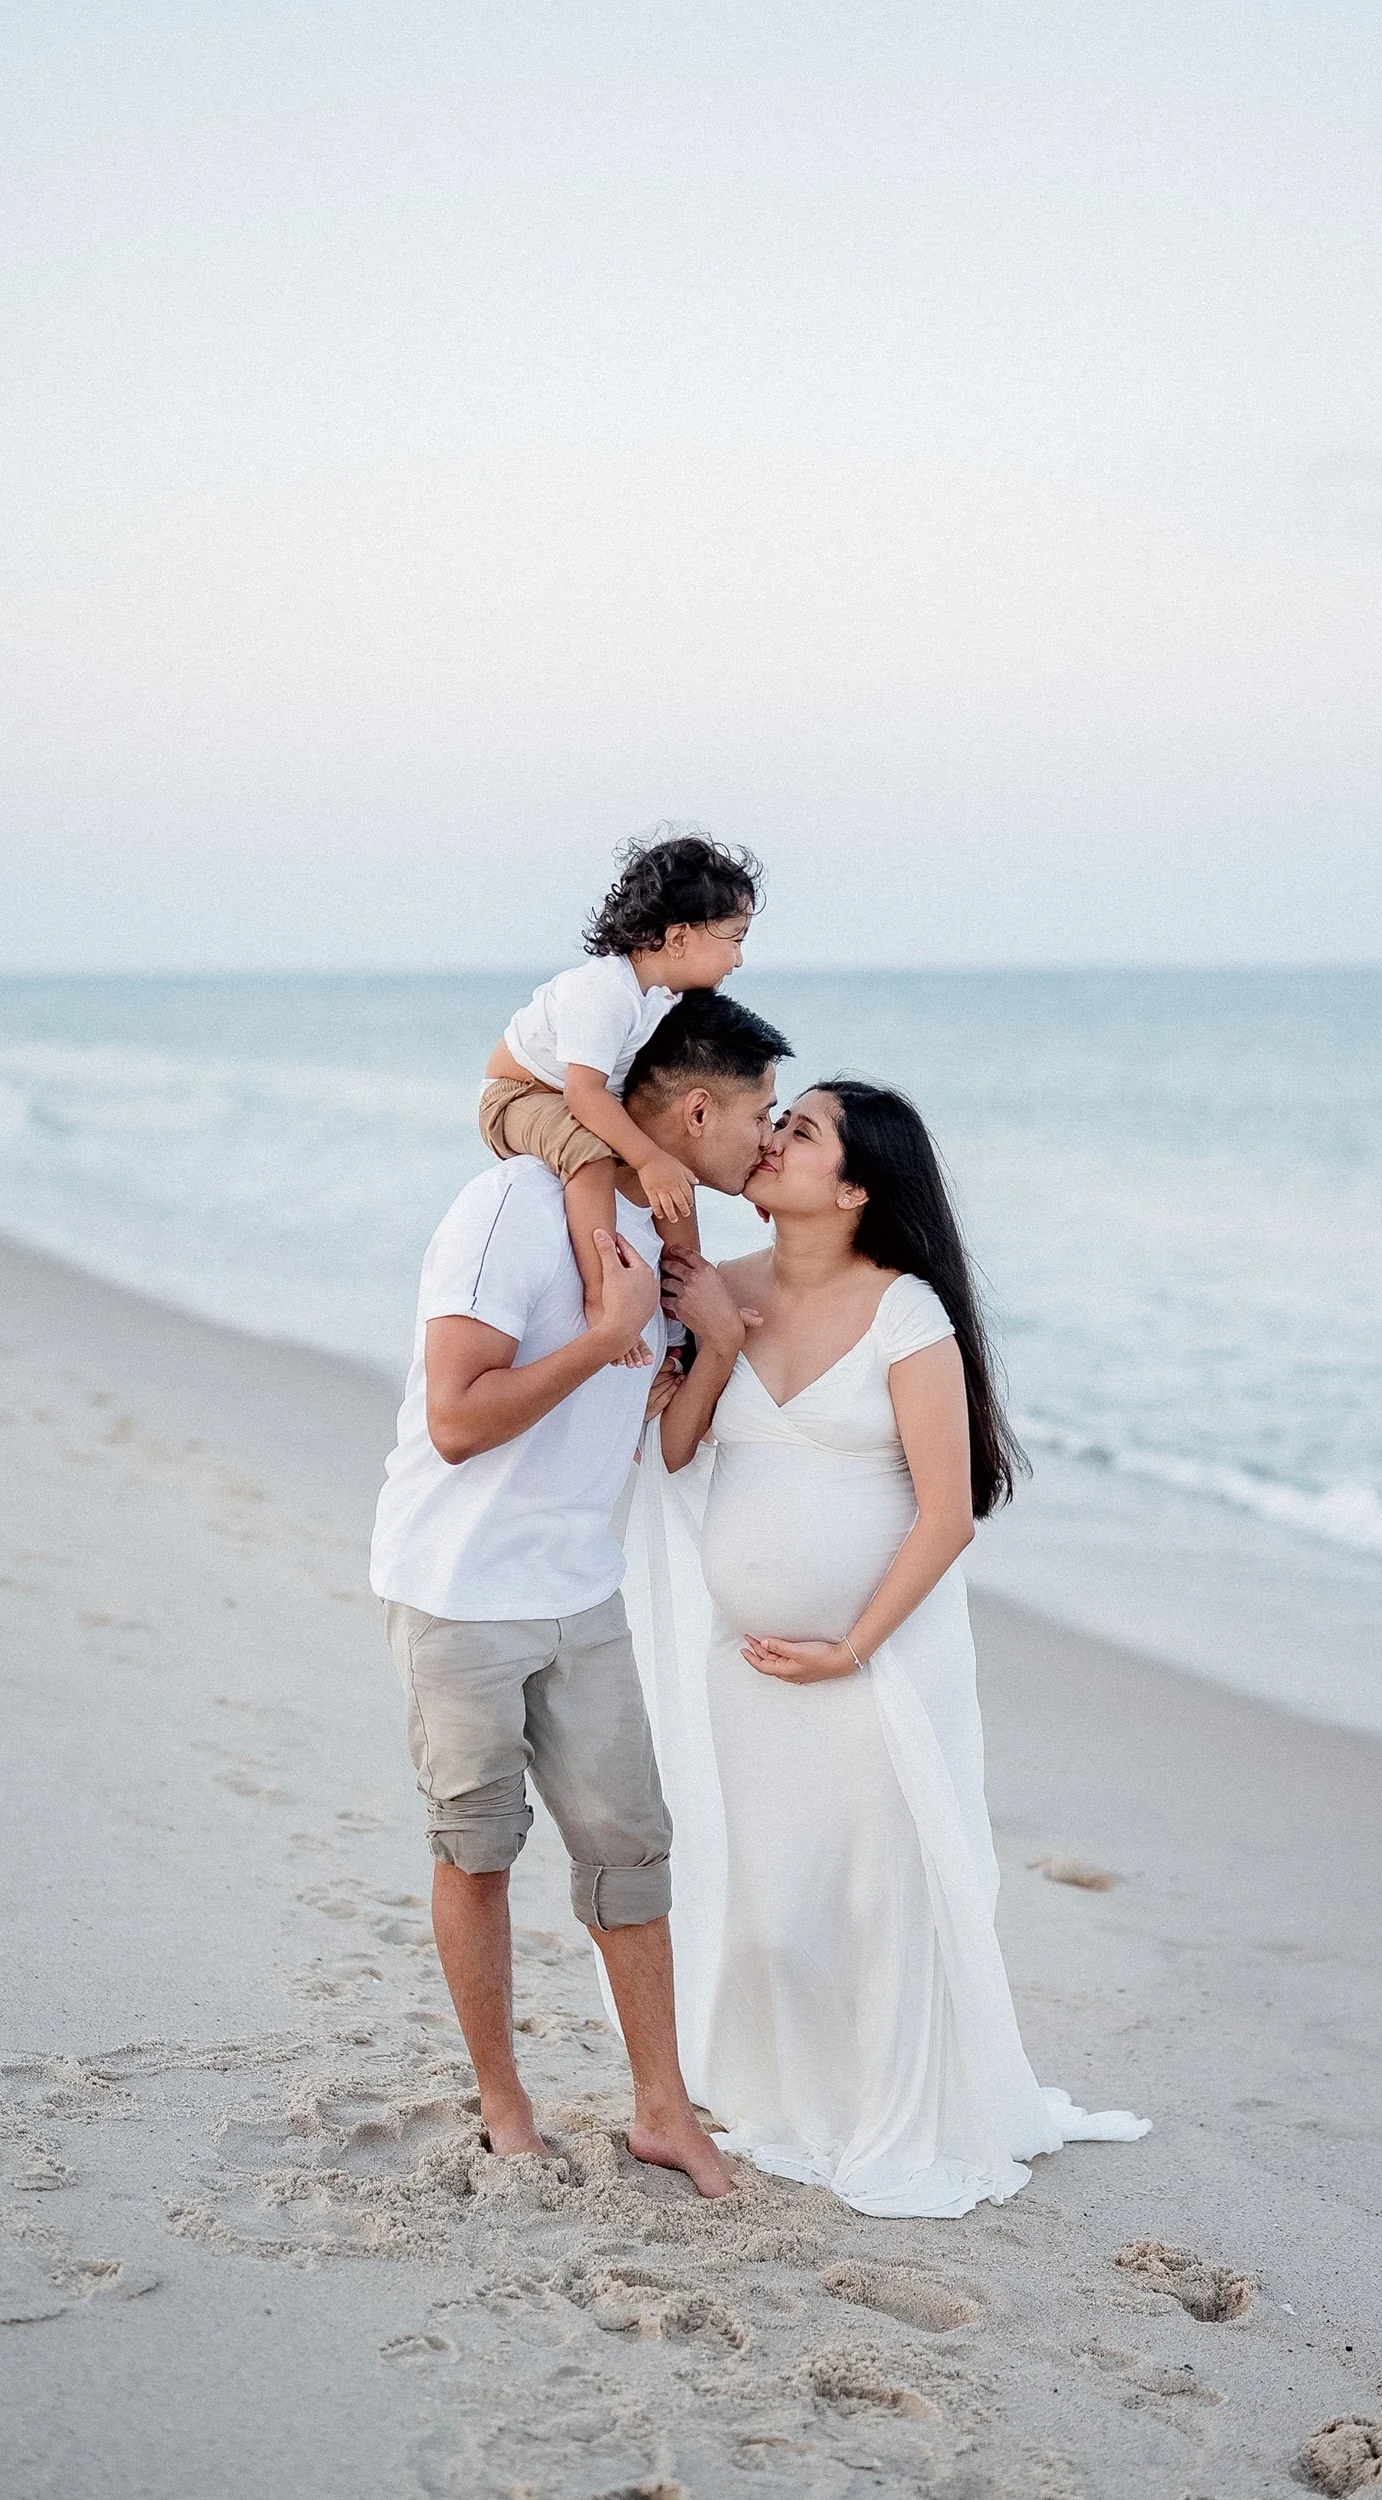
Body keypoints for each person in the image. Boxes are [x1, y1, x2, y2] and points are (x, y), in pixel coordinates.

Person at [624, 1078, 1151, 2217]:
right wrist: (709, 1347)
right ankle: (792, 2098)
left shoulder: (906, 1313)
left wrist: (852, 1647)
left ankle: (884, 2112)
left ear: (855, 1187)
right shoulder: (726, 1288)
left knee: (874, 1900)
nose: (769, 1140)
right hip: (749, 1665)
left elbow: (946, 1515)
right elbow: (669, 1454)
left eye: (798, 1131)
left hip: (876, 1667)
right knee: (773, 1906)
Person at [369, 990, 791, 2195]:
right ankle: (504, 2099)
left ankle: (663, 2112)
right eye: (758, 1114)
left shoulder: (662, 1237)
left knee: (628, 1849)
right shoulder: (507, 1206)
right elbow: (456, 1419)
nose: (763, 1141)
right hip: (457, 1589)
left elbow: (663, 1441)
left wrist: (705, 1342)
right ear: (694, 1108)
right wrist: (606, 1331)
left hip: (579, 1590)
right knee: (478, 1847)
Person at [478, 829, 761, 1359]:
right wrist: (647, 1157)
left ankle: (683, 1320)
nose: (739, 960)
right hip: (517, 1096)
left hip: (568, 1095)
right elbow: (584, 1095)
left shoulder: (662, 995)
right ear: (678, 939)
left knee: (675, 1184)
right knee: (593, 1156)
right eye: (734, 939)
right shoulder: (605, 992)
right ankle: (602, 1303)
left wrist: (682, 1165)